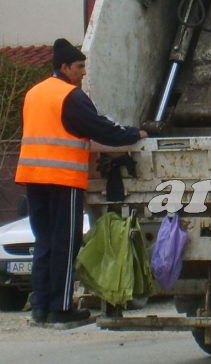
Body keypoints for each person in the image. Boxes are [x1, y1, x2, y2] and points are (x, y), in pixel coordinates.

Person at [15, 38, 147, 324]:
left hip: (33, 178)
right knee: (66, 243)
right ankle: (61, 310)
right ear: (64, 67)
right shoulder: (71, 96)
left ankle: (40, 307)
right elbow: (99, 128)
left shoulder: (34, 93)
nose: (83, 72)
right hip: (63, 179)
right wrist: (132, 134)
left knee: (45, 242)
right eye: (79, 67)